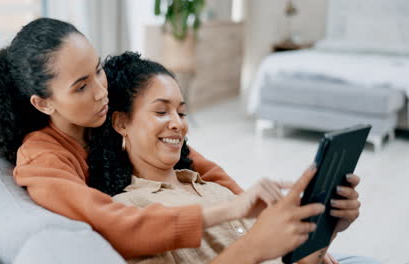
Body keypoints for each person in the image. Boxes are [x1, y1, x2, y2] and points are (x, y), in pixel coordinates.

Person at [0, 17, 307, 260]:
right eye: (82, 86)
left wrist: (263, 214)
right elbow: (112, 223)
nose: (102, 92)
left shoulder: (101, 115)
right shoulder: (42, 158)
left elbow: (203, 168)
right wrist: (224, 212)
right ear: (44, 103)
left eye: (97, 69)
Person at [92, 51, 370, 264]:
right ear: (121, 123)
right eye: (161, 112)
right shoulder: (130, 208)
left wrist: (328, 227)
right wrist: (254, 247)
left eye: (182, 112)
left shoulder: (213, 188)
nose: (178, 123)